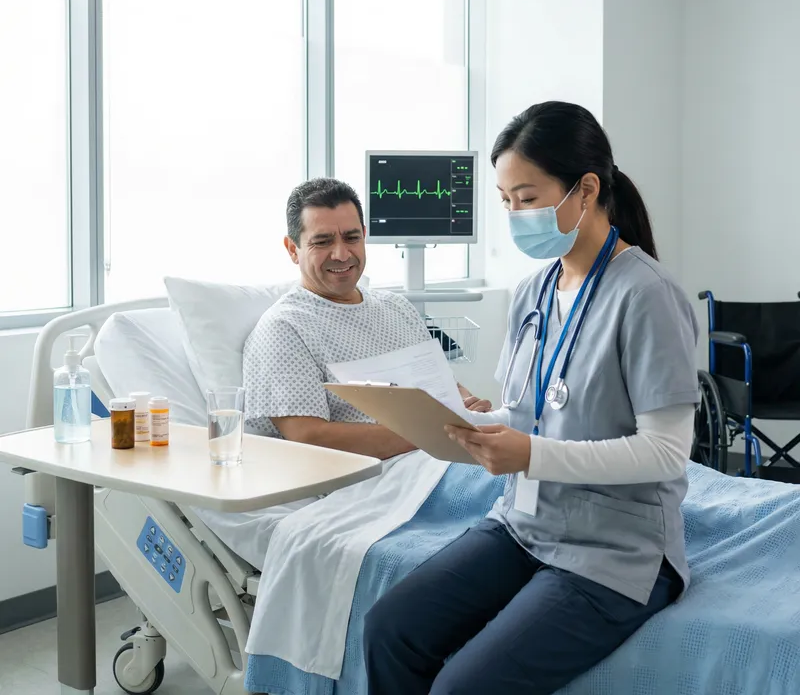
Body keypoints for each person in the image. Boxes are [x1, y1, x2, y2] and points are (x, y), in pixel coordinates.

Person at [363, 101, 699, 694]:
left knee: (461, 688)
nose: (515, 214)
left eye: (527, 196)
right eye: (505, 200)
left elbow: (667, 453)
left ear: (586, 189)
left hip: (614, 548)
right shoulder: (532, 293)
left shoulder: (646, 295)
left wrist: (531, 455)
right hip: (523, 524)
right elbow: (527, 412)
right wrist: (453, 419)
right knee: (390, 626)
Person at [244, 177, 490, 460]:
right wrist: (438, 432)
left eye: (351, 238)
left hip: (446, 455)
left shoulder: (396, 307)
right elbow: (308, 437)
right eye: (322, 242)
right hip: (384, 479)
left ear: (364, 234)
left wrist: (468, 408)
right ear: (292, 250)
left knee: (533, 468)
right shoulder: (285, 328)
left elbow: (445, 386)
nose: (341, 254)